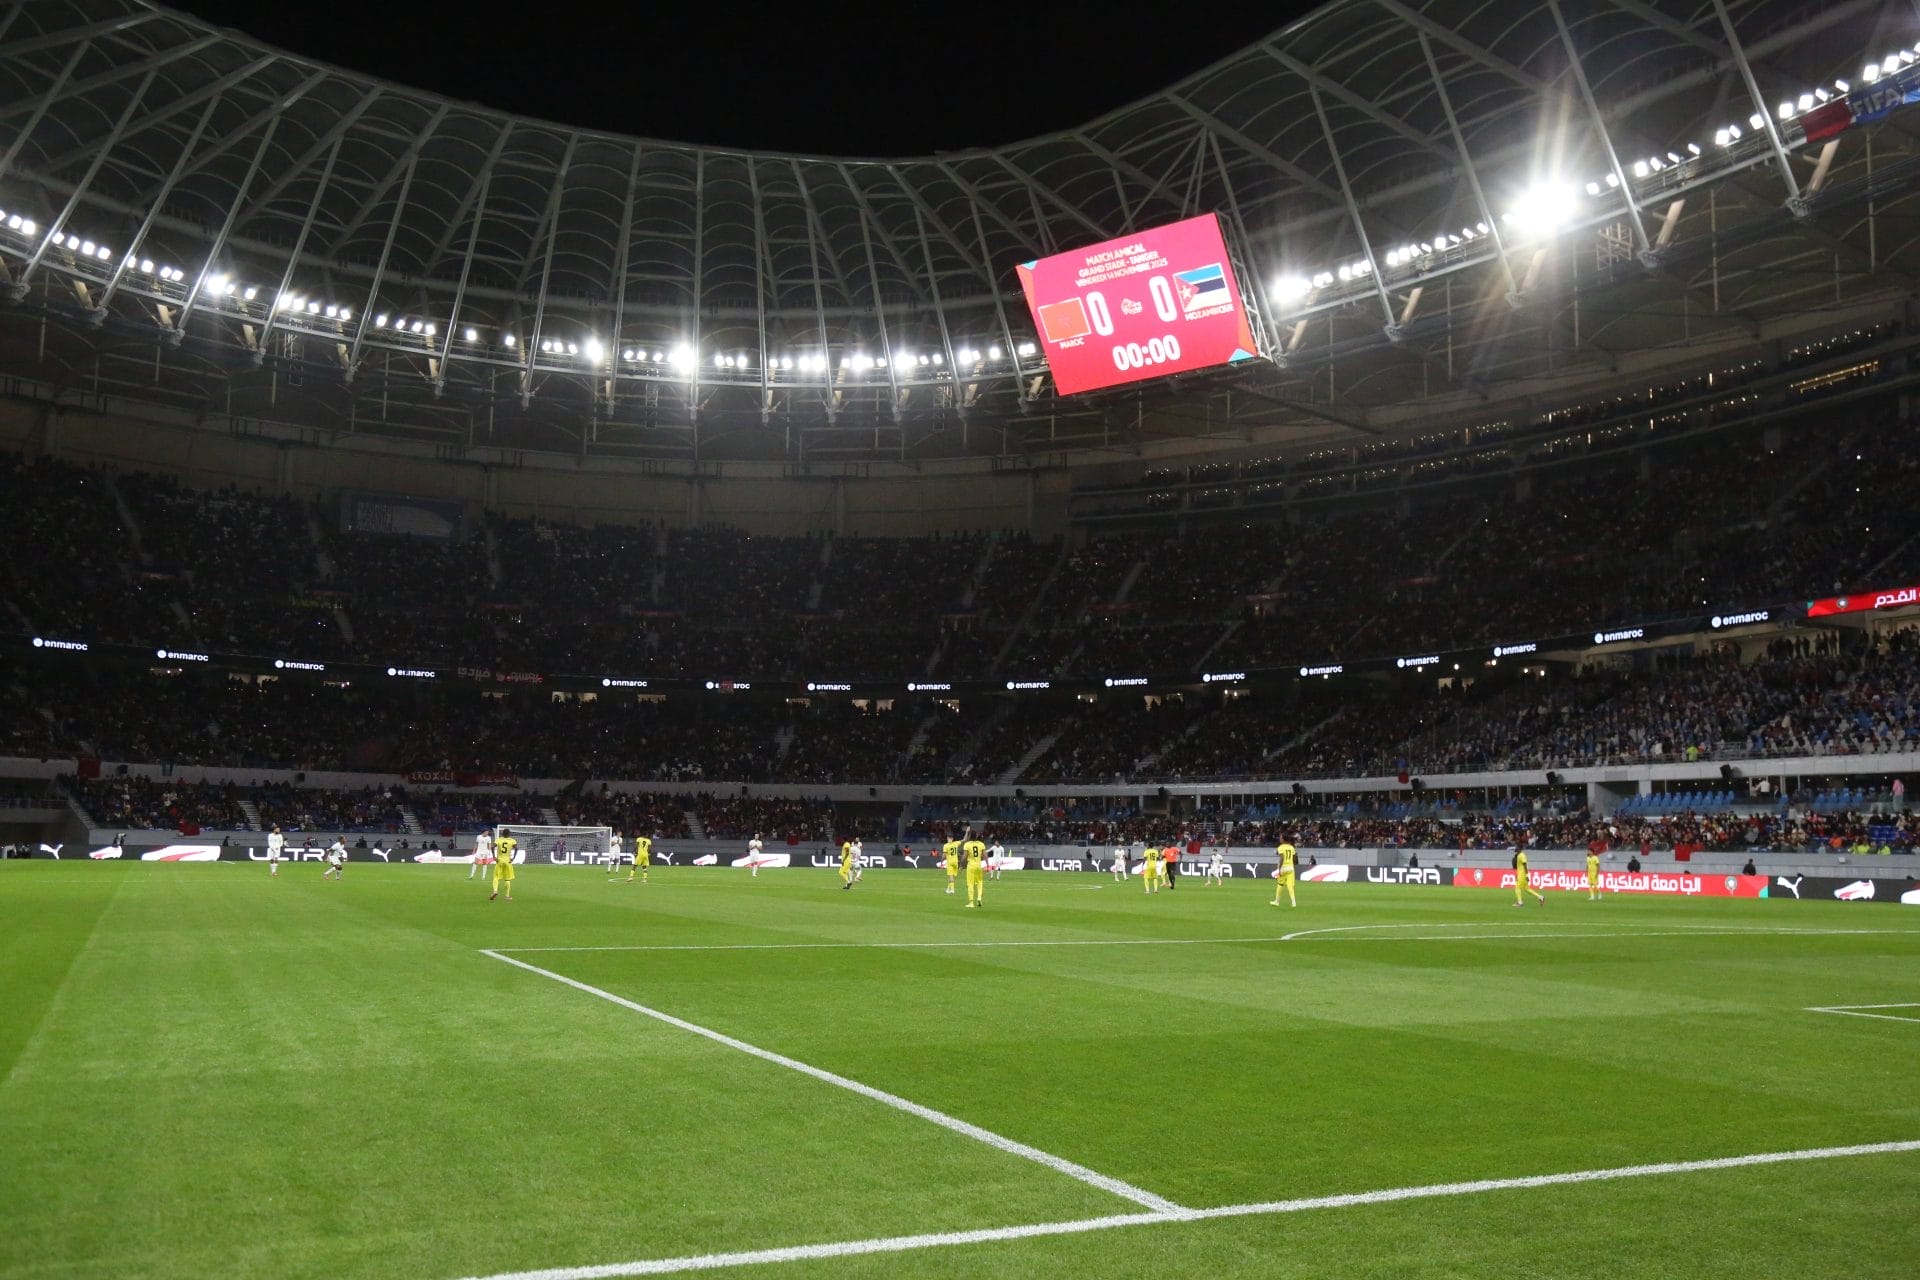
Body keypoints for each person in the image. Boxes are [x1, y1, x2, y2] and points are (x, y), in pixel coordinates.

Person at [490, 828, 517, 902]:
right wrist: (513, 858)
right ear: (509, 834)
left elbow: (492, 847)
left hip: (499, 861)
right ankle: (507, 896)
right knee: (507, 879)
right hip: (508, 862)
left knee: (496, 876)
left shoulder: (498, 840)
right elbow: (516, 848)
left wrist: (494, 856)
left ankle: (495, 891)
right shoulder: (512, 840)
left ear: (502, 834)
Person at [962, 830, 987, 907]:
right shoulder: (981, 844)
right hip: (979, 865)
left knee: (970, 884)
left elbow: (964, 856)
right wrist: (988, 864)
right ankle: (979, 898)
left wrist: (961, 865)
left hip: (971, 866)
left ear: (969, 836)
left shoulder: (967, 844)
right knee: (979, 882)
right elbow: (985, 855)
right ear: (976, 836)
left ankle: (971, 902)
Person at [1271, 835, 1296, 908]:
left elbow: (1282, 858)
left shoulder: (1281, 847)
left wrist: (1279, 867)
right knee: (1290, 886)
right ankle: (1294, 903)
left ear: (1283, 840)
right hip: (1291, 868)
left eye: (1281, 838)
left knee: (1280, 884)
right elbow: (1294, 858)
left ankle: (1277, 901)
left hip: (1284, 867)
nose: (1280, 839)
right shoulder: (1291, 847)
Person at [1585, 833, 1606, 902]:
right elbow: (1587, 865)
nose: (1589, 852)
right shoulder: (1588, 858)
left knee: (1594, 884)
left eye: (1590, 851)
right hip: (1589, 872)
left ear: (1592, 852)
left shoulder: (1595, 858)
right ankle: (1592, 896)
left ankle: (1600, 893)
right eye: (1588, 851)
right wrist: (1586, 871)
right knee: (1590, 884)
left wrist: (1597, 872)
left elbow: (1598, 865)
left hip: (1594, 872)